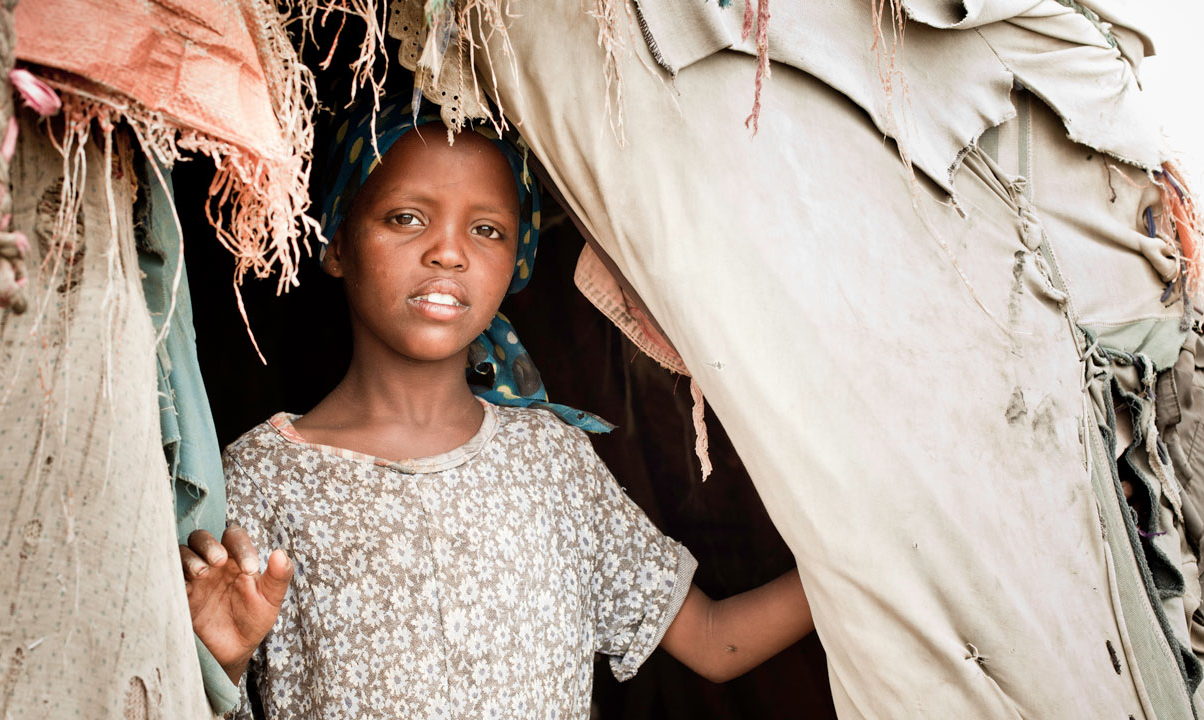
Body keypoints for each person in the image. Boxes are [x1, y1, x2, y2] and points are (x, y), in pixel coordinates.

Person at [178, 100, 815, 719]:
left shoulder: (550, 458)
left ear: (516, 261)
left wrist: (878, 570)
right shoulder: (263, 476)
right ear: (338, 241)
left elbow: (710, 640)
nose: (448, 253)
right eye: (405, 218)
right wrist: (221, 662)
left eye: (486, 230)